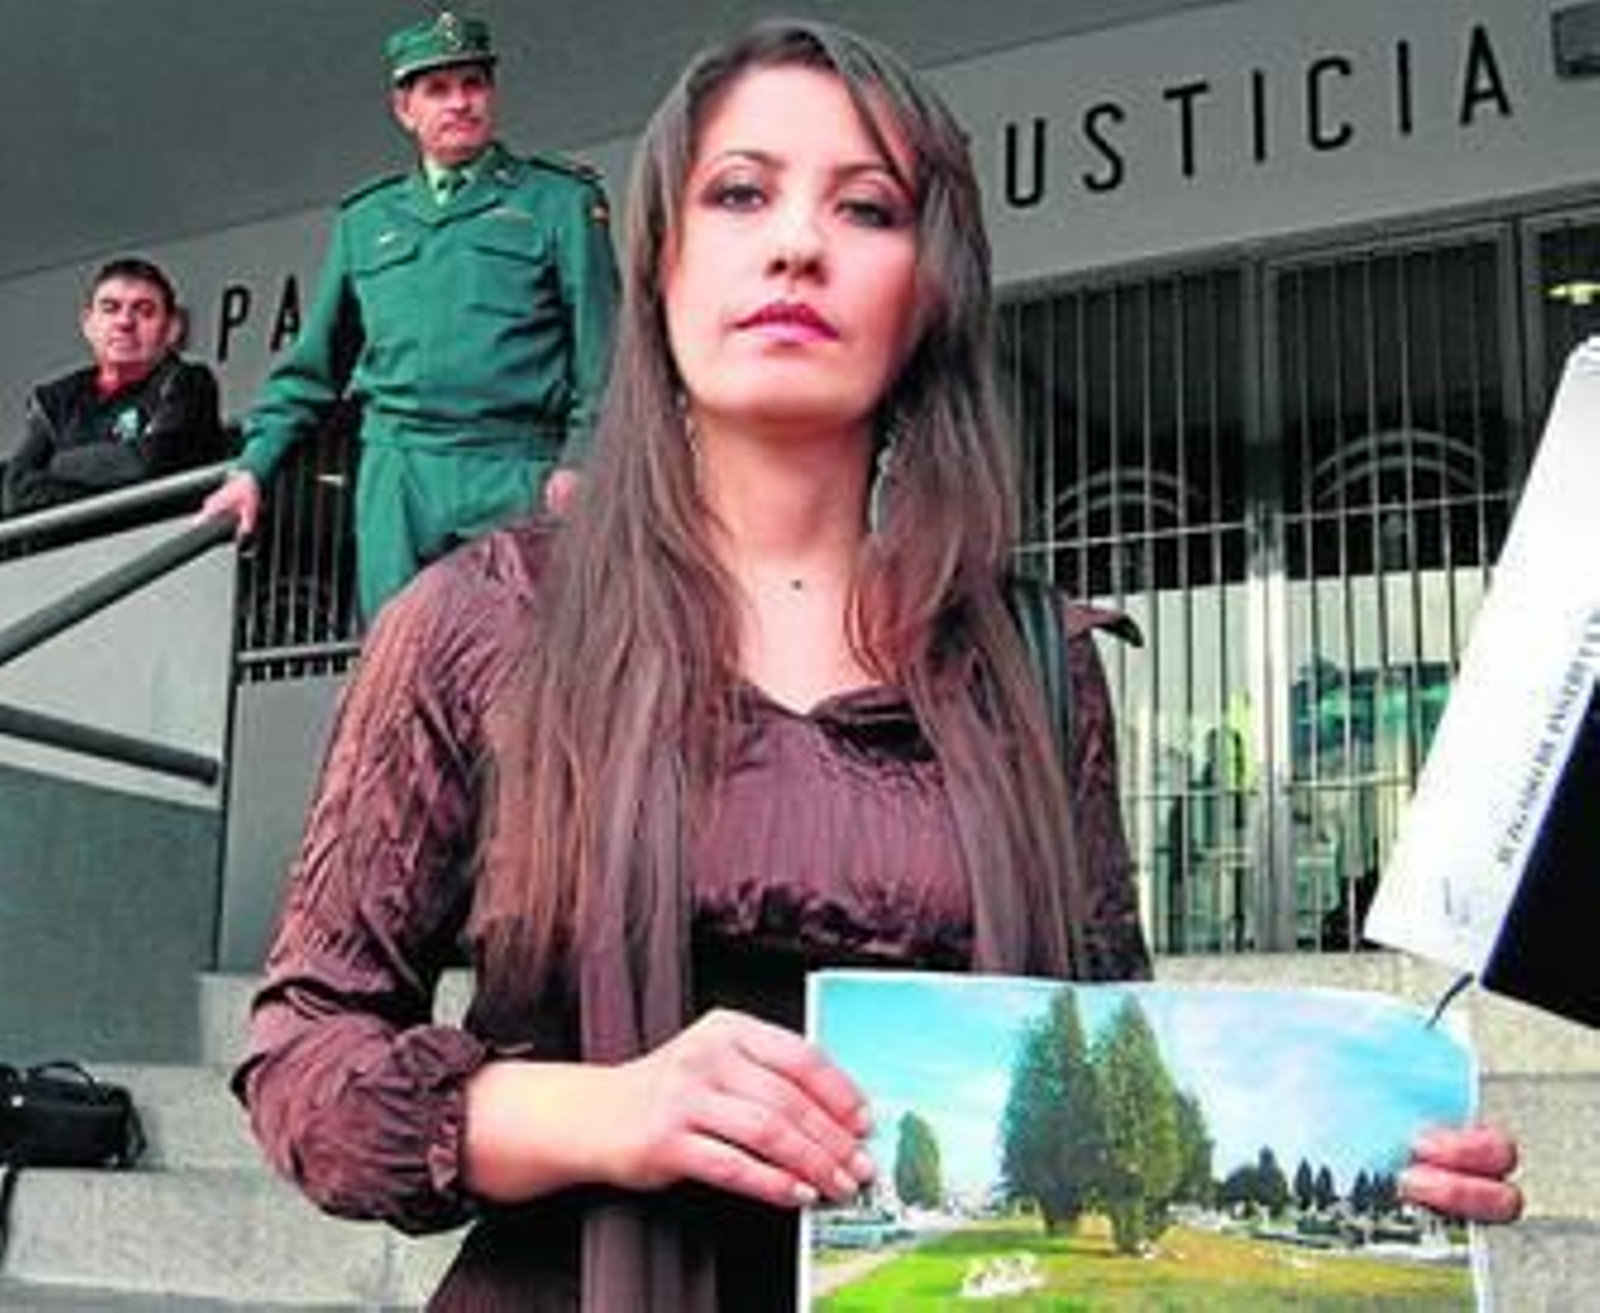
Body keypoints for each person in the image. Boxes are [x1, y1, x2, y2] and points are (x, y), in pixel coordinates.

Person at [233, 19, 1522, 1312]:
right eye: (741, 193)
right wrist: (604, 1111)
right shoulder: (478, 619)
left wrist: (1358, 1172)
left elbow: (1105, 1059)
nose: (797, 243)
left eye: (865, 207)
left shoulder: (1036, 662)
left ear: (927, 290)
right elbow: (303, 1058)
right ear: (662, 264)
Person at [199, 9, 619, 622]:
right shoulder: (365, 221)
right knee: (399, 654)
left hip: (517, 466)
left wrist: (581, 460)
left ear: (492, 94)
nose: (459, 102)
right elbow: (312, 370)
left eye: (473, 85)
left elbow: (604, 353)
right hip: (399, 475)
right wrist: (251, 469)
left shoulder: (560, 201)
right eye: (438, 89)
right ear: (405, 109)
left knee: (523, 661)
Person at [3, 257, 225, 518]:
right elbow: (16, 490)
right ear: (88, 324)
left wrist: (57, 464)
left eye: (144, 311)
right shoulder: (55, 398)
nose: (125, 322)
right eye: (110, 309)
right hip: (73, 542)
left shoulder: (187, 381)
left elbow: (147, 463)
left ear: (172, 328)